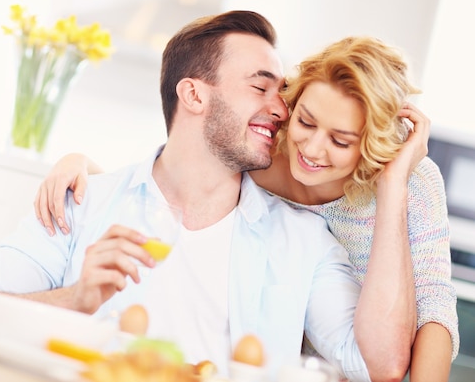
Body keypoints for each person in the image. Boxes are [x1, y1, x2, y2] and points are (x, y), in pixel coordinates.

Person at [0, 11, 408, 382]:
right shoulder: (83, 201)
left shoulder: (304, 241)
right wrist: (74, 299)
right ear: (193, 94)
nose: (282, 109)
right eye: (260, 86)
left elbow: (378, 365)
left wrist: (393, 187)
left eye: (282, 91)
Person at [34, 36, 459, 381]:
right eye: (306, 122)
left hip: (368, 351)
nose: (311, 149)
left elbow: (434, 307)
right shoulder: (258, 153)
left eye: (341, 141)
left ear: (371, 145)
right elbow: (173, 180)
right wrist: (82, 164)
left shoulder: (410, 181)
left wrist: (391, 186)